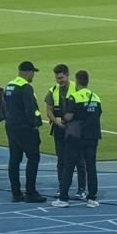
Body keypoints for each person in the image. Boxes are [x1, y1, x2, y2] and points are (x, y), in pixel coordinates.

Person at [4, 61, 47, 203]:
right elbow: (30, 109)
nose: (33, 75)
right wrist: (35, 124)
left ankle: (15, 192)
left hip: (11, 125)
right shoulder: (26, 87)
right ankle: (31, 192)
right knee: (33, 157)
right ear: (28, 72)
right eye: (33, 72)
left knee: (14, 159)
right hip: (24, 127)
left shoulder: (9, 85)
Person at [44, 65, 80, 208]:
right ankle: (62, 186)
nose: (59, 81)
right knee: (61, 159)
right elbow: (49, 110)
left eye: (61, 78)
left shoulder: (76, 89)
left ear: (67, 75)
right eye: (57, 78)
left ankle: (81, 188)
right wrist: (56, 122)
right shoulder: (53, 91)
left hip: (74, 129)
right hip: (59, 128)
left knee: (78, 159)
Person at [74, 68, 103, 207]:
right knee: (91, 166)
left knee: (69, 164)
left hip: (78, 136)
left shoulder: (75, 96)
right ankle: (92, 197)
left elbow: (70, 115)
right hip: (93, 136)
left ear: (77, 81)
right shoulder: (96, 97)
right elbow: (99, 114)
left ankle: (63, 197)